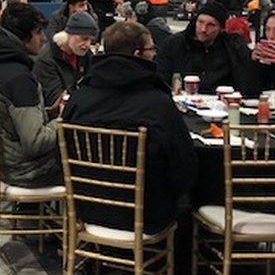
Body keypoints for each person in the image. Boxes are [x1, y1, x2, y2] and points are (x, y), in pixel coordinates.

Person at [62, 21, 197, 235]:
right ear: (138, 54)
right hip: (146, 214)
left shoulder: (80, 98)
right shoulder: (157, 104)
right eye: (152, 49)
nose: (155, 54)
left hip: (87, 208)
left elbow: (62, 156)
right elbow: (184, 168)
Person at [0, 2, 60, 188]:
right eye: (38, 32)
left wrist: (47, 112)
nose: (44, 39)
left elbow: (10, 118)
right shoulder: (19, 77)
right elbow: (35, 143)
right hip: (25, 171)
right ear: (24, 36)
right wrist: (62, 121)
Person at [156, 2, 256, 95]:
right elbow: (161, 78)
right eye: (200, 22)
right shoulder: (174, 44)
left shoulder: (231, 47)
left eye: (211, 25)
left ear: (221, 28)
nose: (203, 29)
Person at [34, 11, 98, 109]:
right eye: (84, 38)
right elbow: (54, 99)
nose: (87, 45)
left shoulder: (84, 54)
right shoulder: (46, 60)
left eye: (91, 40)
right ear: (69, 34)